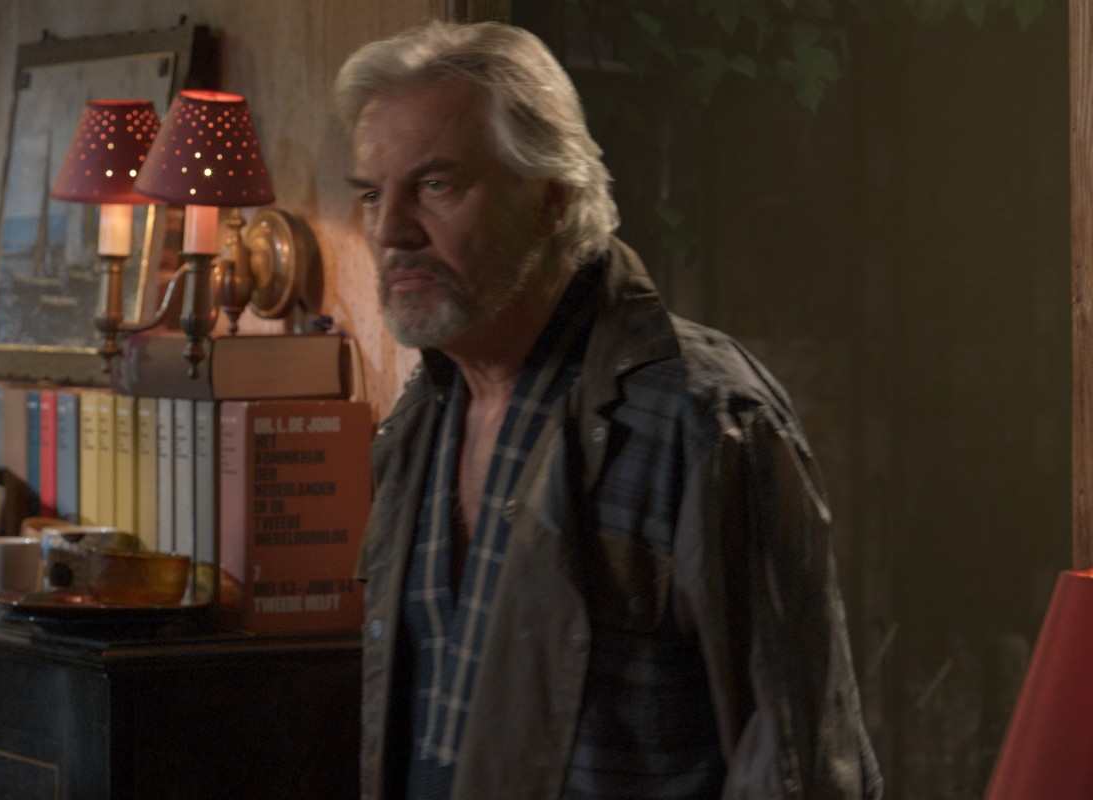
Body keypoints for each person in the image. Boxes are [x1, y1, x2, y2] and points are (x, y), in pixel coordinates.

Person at [339, 22, 881, 800]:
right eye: (371, 193)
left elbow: (797, 767)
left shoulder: (701, 419)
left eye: (436, 186)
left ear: (551, 200)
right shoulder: (418, 421)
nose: (391, 230)